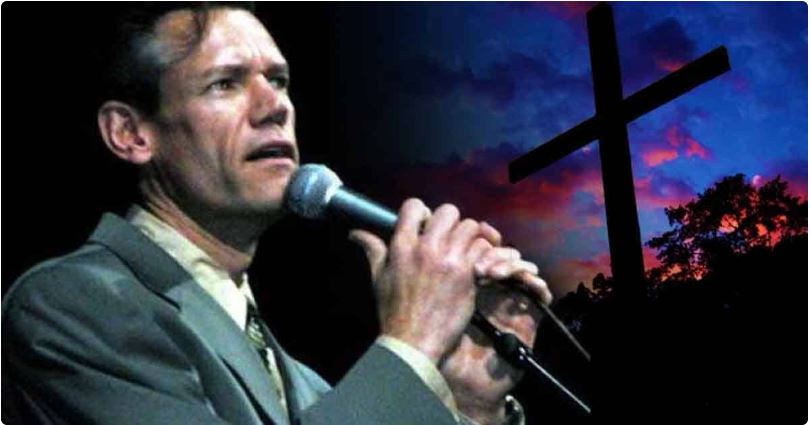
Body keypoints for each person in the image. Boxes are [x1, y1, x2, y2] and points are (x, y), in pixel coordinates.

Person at [2, 3, 551, 424]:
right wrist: (413, 342)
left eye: (279, 80)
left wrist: (464, 401)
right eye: (225, 83)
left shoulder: (303, 384)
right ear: (131, 133)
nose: (275, 106)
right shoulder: (69, 306)